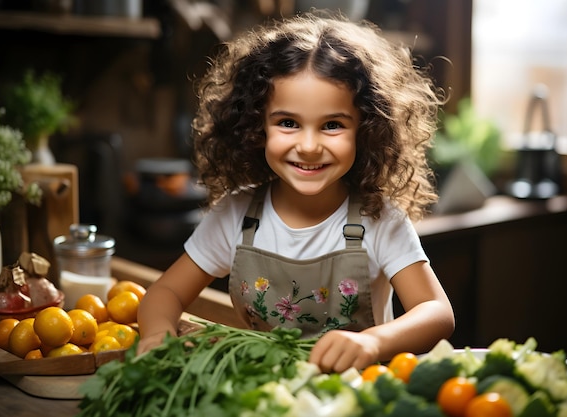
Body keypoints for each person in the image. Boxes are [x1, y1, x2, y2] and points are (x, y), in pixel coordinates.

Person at [137, 10, 455, 373]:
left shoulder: (379, 219)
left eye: (332, 125)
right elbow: (165, 293)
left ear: (366, 131)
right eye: (287, 123)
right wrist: (157, 336)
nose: (307, 146)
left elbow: (437, 314)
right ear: (256, 126)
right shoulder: (235, 215)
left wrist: (373, 341)